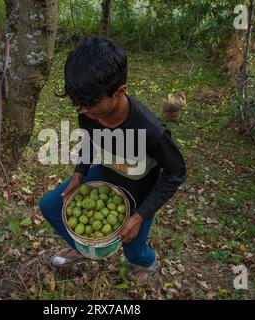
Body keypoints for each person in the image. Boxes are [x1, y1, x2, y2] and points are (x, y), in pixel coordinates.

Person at [39, 37, 186, 284]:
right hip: (104, 175)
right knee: (50, 205)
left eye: (89, 105)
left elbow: (176, 172)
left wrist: (139, 216)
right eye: (78, 105)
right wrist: (79, 173)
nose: (82, 111)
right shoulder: (88, 111)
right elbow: (88, 139)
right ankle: (84, 249)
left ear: (119, 91)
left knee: (132, 247)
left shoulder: (151, 131)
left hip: (139, 194)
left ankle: (148, 262)